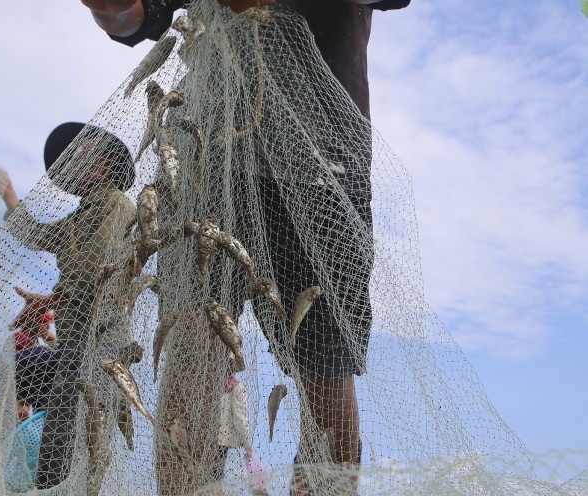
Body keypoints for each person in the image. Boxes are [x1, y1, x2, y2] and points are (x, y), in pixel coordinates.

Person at [80, 0, 410, 493]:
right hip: (204, 159)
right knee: (191, 343)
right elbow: (138, 16)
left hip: (321, 168)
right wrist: (114, 9)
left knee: (324, 364)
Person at [0, 122, 136, 489]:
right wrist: (9, 195)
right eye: (76, 156)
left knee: (88, 438)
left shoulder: (117, 204)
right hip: (73, 340)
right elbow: (39, 234)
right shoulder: (79, 214)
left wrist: (50, 300)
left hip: (103, 339)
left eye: (90, 154)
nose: (81, 161)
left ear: (107, 164)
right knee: (58, 442)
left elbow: (98, 266)